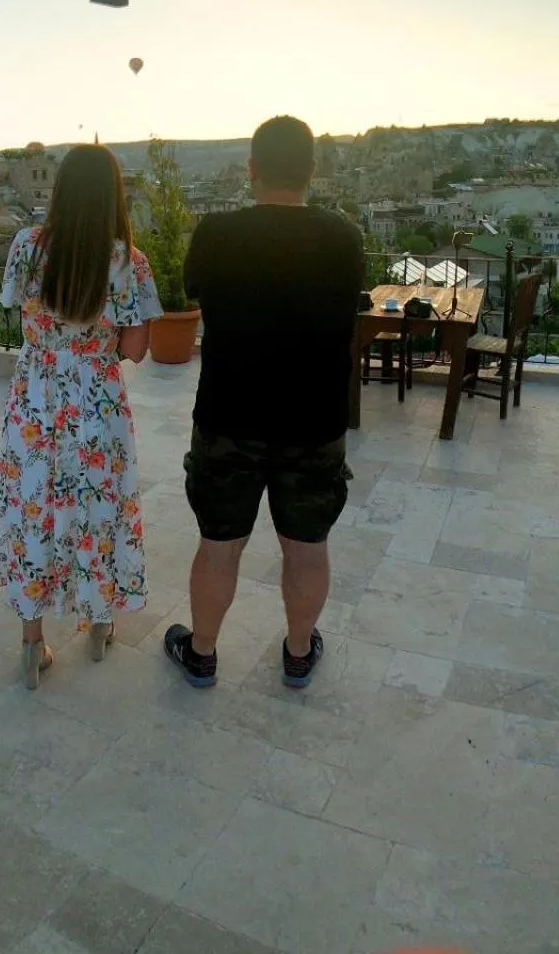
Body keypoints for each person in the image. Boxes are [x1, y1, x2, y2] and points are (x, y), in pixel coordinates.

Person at [164, 115, 364, 689]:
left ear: (251, 171)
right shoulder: (344, 238)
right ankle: (299, 652)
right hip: (314, 421)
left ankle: (202, 653)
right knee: (306, 550)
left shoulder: (217, 234)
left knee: (219, 546)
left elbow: (196, 289)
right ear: (312, 170)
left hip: (229, 416)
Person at [0, 144, 163, 688]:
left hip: (35, 398)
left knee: (34, 513)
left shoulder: (26, 247)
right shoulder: (128, 262)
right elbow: (136, 348)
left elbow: (18, 311)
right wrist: (97, 347)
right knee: (100, 510)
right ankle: (100, 624)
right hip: (97, 402)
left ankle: (32, 643)